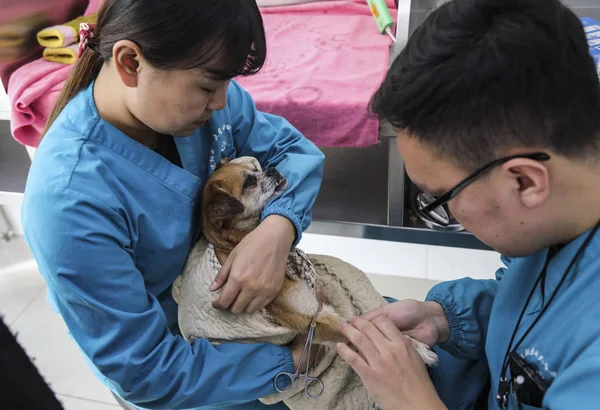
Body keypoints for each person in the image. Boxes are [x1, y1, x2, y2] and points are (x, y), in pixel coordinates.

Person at [21, 0, 324, 409]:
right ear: (130, 63)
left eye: (226, 83)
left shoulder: (208, 108)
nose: (221, 102)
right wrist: (286, 361)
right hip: (196, 372)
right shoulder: (69, 201)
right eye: (206, 86)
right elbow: (145, 371)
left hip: (257, 318)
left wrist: (277, 229)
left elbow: (292, 151)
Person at [336, 0, 600, 409]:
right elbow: (538, 303)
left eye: (440, 197)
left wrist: (411, 400)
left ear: (526, 181)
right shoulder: (563, 210)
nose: (440, 210)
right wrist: (444, 319)